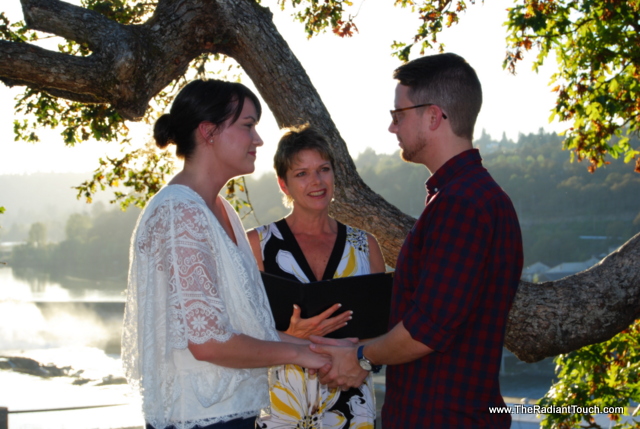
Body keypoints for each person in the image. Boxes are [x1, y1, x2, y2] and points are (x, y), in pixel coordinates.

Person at [309, 53, 524, 428]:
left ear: (434, 116)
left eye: (398, 115)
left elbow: (427, 330)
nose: (392, 128)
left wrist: (360, 356)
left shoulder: (462, 204)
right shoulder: (470, 198)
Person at [121, 79, 331, 429]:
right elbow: (208, 343)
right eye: (248, 126)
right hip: (198, 418)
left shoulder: (219, 208)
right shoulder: (180, 212)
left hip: (229, 414)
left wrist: (321, 347)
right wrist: (301, 353)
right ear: (209, 132)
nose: (258, 140)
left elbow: (242, 328)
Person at [246, 125, 386, 429]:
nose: (317, 181)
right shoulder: (257, 245)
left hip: (353, 405)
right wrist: (289, 338)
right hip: (282, 408)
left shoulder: (366, 246)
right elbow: (235, 332)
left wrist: (365, 360)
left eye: (323, 169)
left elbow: (383, 334)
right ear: (283, 185)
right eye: (302, 174)